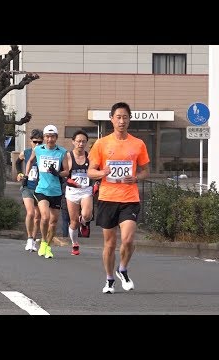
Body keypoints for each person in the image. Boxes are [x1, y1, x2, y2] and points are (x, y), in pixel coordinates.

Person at [87, 102, 150, 294]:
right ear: (112, 119)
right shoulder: (101, 143)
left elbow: (146, 170)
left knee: (129, 239)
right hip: (107, 197)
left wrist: (136, 177)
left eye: (125, 117)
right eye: (118, 117)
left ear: (129, 119)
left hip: (130, 198)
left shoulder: (138, 144)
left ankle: (122, 268)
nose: (122, 121)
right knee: (110, 243)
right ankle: (109, 279)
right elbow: (90, 172)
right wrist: (102, 172)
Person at [25, 124, 69, 259]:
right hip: (41, 189)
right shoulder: (38, 150)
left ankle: (47, 246)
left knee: (54, 221)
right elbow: (30, 161)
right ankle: (43, 241)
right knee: (45, 217)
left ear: (56, 137)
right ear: (44, 137)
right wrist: (26, 176)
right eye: (47, 137)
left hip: (56, 190)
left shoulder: (62, 152)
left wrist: (58, 173)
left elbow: (67, 171)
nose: (50, 139)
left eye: (52, 137)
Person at [64, 130, 95, 256]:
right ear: (73, 142)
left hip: (86, 190)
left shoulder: (90, 157)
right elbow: (63, 173)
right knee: (73, 221)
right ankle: (74, 243)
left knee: (87, 215)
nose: (81, 144)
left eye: (83, 141)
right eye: (78, 141)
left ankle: (84, 221)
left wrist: (96, 184)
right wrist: (69, 181)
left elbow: (95, 172)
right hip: (72, 191)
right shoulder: (68, 156)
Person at [16, 129, 43, 253]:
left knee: (38, 216)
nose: (37, 144)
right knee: (31, 213)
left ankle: (34, 238)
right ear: (31, 141)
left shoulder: (45, 153)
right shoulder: (26, 152)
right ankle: (29, 238)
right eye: (35, 142)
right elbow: (17, 162)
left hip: (41, 187)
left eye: (40, 142)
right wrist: (20, 173)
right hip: (28, 186)